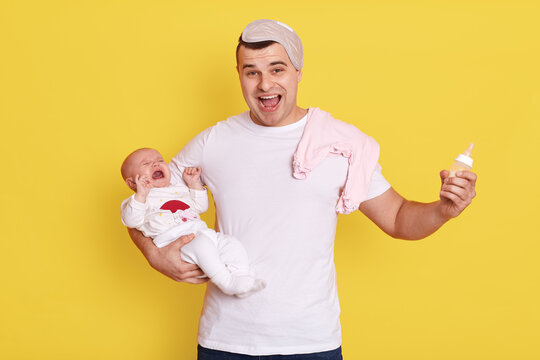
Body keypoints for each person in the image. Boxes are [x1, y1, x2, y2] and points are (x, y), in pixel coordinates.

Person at [126, 19, 477, 359]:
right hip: (225, 341)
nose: (265, 84)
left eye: (277, 69)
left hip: (310, 342)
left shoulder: (340, 143)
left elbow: (399, 219)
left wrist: (444, 209)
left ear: (298, 72)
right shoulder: (213, 142)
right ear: (240, 76)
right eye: (252, 71)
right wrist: (153, 254)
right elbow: (142, 203)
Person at [120, 147, 265, 298]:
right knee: (202, 245)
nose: (156, 165)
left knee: (230, 243)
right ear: (131, 183)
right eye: (146, 164)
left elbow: (200, 207)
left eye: (160, 161)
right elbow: (131, 221)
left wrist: (193, 184)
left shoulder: (178, 189)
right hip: (177, 243)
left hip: (202, 234)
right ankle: (226, 282)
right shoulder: (137, 201)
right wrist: (141, 195)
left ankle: (241, 278)